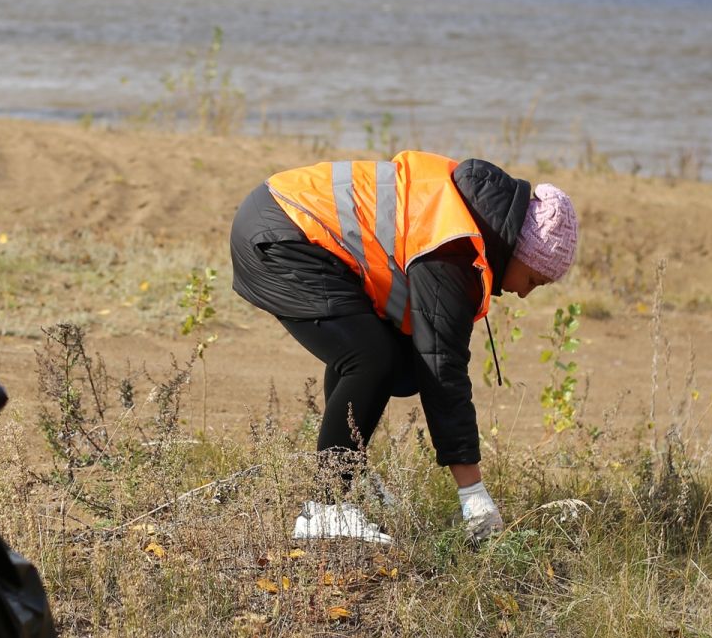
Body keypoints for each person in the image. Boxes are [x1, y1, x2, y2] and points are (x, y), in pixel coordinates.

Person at [231, 151, 579, 544]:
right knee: (370, 358)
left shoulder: (467, 220)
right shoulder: (452, 249)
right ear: (517, 251)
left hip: (282, 221)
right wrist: (472, 493)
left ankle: (348, 478)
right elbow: (443, 369)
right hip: (282, 233)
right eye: (533, 279)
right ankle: (325, 510)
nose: (524, 293)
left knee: (387, 358)